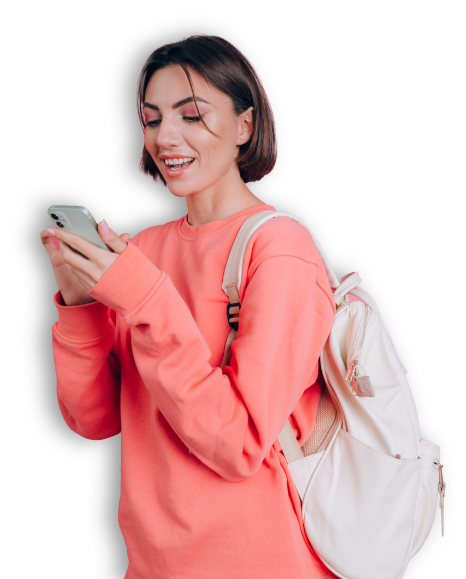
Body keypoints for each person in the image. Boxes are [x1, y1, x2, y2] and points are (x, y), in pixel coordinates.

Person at [40, 33, 336, 579]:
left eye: (192, 114)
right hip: (152, 566)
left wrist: (144, 296)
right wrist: (82, 306)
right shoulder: (145, 249)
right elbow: (95, 420)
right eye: (152, 120)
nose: (165, 137)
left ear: (245, 125)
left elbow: (240, 444)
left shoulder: (280, 247)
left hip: (258, 565)